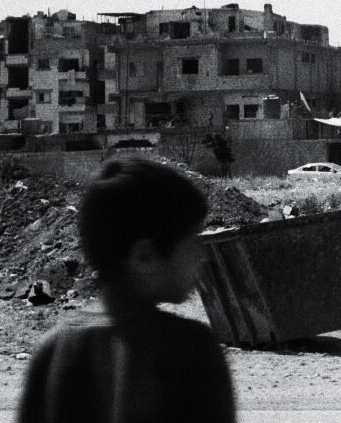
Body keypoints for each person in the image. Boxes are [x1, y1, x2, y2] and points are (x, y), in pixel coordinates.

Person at [17, 158, 235, 423]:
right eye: (192, 242)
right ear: (145, 257)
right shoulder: (191, 349)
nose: (203, 257)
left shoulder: (52, 351)